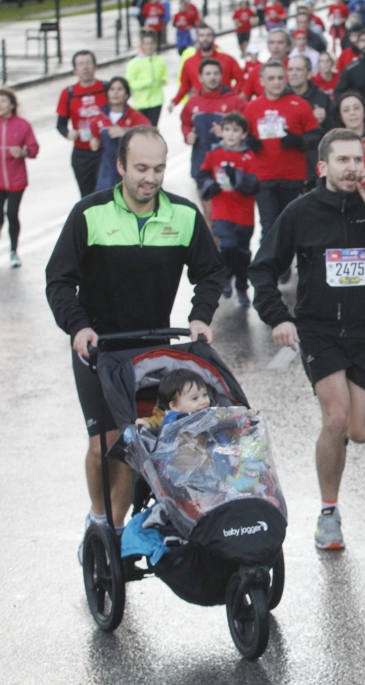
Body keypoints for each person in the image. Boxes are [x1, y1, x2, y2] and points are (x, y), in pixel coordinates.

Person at [45, 126, 224, 548]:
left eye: (159, 169)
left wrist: (199, 317)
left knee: (138, 441)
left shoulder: (182, 214)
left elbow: (211, 274)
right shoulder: (89, 214)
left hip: (152, 346)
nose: (151, 177)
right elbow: (58, 281)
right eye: (141, 168)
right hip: (97, 346)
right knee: (104, 445)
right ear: (121, 166)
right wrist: (78, 325)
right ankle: (99, 521)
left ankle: (120, 529)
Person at [249, 128, 365, 550]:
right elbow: (262, 268)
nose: (352, 167)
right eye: (342, 160)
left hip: (364, 332)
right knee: (336, 418)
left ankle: (333, 464)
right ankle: (328, 512)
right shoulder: (302, 213)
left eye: (357, 159)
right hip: (318, 330)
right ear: (323, 167)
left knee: (358, 431)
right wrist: (278, 317)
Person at [244, 60, 321, 252]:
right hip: (263, 177)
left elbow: (317, 136)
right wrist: (249, 143)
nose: (276, 82)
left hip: (292, 177)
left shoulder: (299, 104)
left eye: (280, 78)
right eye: (271, 78)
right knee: (269, 224)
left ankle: (287, 262)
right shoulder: (252, 107)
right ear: (262, 81)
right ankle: (271, 269)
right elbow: (240, 139)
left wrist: (298, 140)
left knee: (290, 223)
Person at [197, 111, 260, 307]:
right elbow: (203, 175)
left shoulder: (248, 156)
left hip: (243, 214)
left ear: (243, 134)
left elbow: (254, 185)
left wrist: (237, 179)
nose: (231, 134)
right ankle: (225, 277)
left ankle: (241, 285)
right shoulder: (214, 154)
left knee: (242, 253)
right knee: (227, 246)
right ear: (221, 132)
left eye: (236, 131)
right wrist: (210, 185)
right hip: (222, 210)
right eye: (227, 130)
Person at [180, 59, 247, 219]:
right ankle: (212, 244)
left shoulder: (235, 102)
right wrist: (188, 134)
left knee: (229, 216)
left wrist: (228, 134)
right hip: (201, 165)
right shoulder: (193, 102)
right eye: (208, 74)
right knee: (209, 214)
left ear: (222, 76)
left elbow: (248, 131)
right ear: (200, 77)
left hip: (229, 166)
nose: (212, 77)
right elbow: (185, 123)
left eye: (216, 73)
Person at [57, 50, 107, 198]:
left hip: (105, 150)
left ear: (95, 66)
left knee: (106, 194)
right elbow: (60, 124)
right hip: (82, 153)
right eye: (80, 64)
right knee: (87, 197)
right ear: (75, 70)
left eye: (88, 63)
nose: (85, 68)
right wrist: (68, 133)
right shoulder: (69, 93)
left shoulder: (106, 88)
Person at [90, 77, 151, 193]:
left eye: (120, 89)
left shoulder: (135, 116)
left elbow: (150, 137)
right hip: (107, 174)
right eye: (112, 89)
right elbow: (94, 138)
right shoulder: (99, 117)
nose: (115, 93)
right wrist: (94, 142)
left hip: (130, 173)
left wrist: (126, 133)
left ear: (127, 94)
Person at [0, 88, 38, 268]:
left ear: (12, 105)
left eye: (3, 101)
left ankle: (14, 250)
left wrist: (23, 151)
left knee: (12, 213)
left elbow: (34, 148)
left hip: (16, 180)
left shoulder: (22, 125)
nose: (0, 105)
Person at [168, 25, 245, 112]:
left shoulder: (227, 60)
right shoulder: (189, 63)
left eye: (208, 35)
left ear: (213, 38)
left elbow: (241, 80)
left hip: (224, 107)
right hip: (201, 106)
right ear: (197, 38)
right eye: (202, 35)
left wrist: (233, 96)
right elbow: (185, 86)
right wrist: (175, 101)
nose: (205, 38)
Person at [287, 55, 334, 189]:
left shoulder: (321, 98)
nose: (293, 74)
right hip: (287, 171)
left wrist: (324, 120)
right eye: (290, 70)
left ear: (308, 74)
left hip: (314, 170)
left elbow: (334, 131)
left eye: (298, 70)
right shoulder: (279, 97)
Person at [126, 31, 167, 126]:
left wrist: (163, 80)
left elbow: (164, 75)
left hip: (156, 101)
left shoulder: (160, 60)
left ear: (155, 44)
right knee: (141, 129)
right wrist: (146, 83)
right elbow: (130, 83)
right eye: (146, 43)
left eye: (151, 43)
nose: (149, 46)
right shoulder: (134, 63)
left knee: (152, 128)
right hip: (140, 103)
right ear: (142, 45)